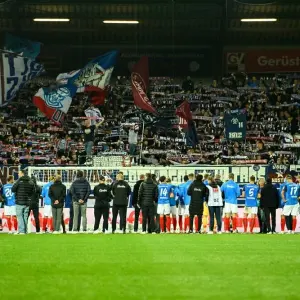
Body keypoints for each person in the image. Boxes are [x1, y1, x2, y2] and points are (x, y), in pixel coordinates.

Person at [12, 170, 35, 235]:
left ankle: (22, 231)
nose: (18, 175)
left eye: (19, 173)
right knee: (25, 216)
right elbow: (33, 191)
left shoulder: (18, 181)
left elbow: (13, 189)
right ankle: (25, 231)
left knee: (20, 216)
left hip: (19, 201)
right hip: (27, 202)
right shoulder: (31, 181)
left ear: (22, 174)